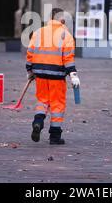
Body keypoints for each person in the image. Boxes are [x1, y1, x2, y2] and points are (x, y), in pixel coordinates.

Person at [26, 8, 80, 145]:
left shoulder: (38, 32)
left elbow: (30, 53)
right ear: (62, 19)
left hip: (40, 74)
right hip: (57, 76)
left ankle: (38, 122)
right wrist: (73, 75)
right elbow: (68, 58)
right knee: (57, 105)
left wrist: (30, 71)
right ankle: (55, 136)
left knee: (42, 101)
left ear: (50, 18)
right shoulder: (66, 35)